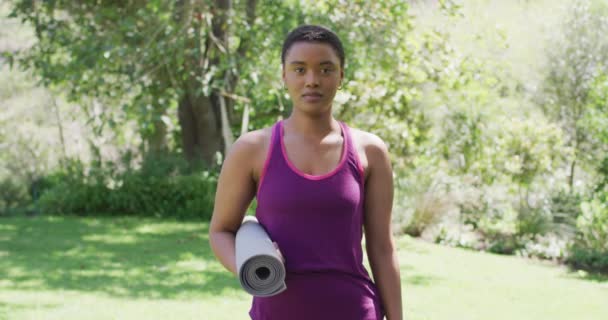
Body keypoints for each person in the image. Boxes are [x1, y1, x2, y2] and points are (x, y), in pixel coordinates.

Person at [209, 24, 403, 320]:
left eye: (325, 70)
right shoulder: (252, 149)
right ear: (284, 75)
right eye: (300, 69)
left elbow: (382, 248)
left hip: (355, 310)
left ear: (341, 76)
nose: (312, 80)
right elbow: (221, 230)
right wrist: (252, 266)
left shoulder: (370, 151)